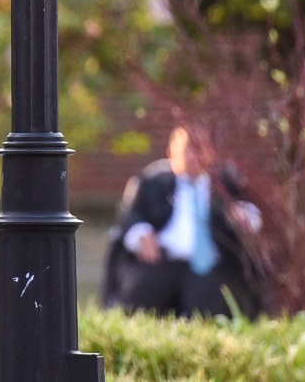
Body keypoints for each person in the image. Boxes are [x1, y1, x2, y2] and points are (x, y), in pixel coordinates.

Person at [102, 126, 264, 318]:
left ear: (211, 153)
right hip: (163, 260)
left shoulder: (227, 183)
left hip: (212, 266)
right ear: (171, 151)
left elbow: (252, 213)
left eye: (199, 149)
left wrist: (243, 217)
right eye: (186, 149)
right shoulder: (153, 181)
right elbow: (130, 217)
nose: (193, 156)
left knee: (208, 304)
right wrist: (141, 234)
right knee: (139, 298)